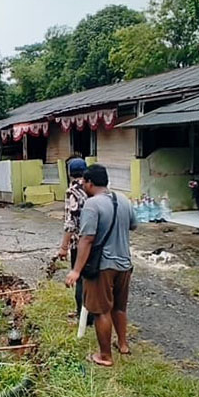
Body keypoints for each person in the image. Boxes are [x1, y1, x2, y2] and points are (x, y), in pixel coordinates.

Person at [65, 164, 138, 367]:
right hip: (124, 263)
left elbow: (87, 239)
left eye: (84, 183)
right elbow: (133, 225)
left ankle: (105, 356)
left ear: (89, 182)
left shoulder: (92, 205)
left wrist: (76, 270)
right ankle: (123, 345)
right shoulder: (123, 199)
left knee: (101, 311)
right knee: (120, 308)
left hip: (103, 266)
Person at [58, 156, 89, 319]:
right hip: (93, 240)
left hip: (79, 242)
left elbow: (70, 222)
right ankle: (91, 314)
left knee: (79, 278)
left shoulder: (72, 191)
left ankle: (81, 315)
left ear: (70, 173)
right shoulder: (90, 187)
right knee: (91, 278)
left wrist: (64, 246)